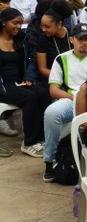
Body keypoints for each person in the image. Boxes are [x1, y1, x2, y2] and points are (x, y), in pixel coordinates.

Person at [43, 23, 87, 182]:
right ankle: (49, 160)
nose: (84, 42)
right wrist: (77, 99)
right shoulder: (61, 59)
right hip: (71, 99)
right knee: (51, 113)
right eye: (80, 39)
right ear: (72, 39)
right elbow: (54, 90)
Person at [0, 8, 48, 157]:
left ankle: (42, 138)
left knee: (43, 92)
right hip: (2, 85)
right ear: (3, 22)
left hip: (19, 82)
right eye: (15, 23)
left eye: (20, 23)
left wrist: (29, 77)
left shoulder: (22, 39)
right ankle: (29, 143)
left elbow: (32, 59)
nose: (18, 26)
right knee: (30, 97)